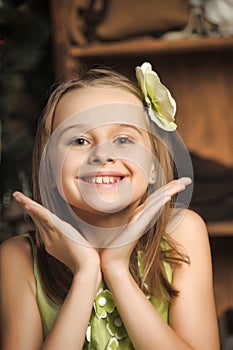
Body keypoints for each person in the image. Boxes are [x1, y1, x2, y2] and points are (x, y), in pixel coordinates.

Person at [0, 62, 220, 349]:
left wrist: (116, 269)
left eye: (124, 139)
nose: (103, 154)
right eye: (79, 140)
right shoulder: (18, 257)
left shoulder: (182, 233)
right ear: (49, 170)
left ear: (153, 166)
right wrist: (86, 274)